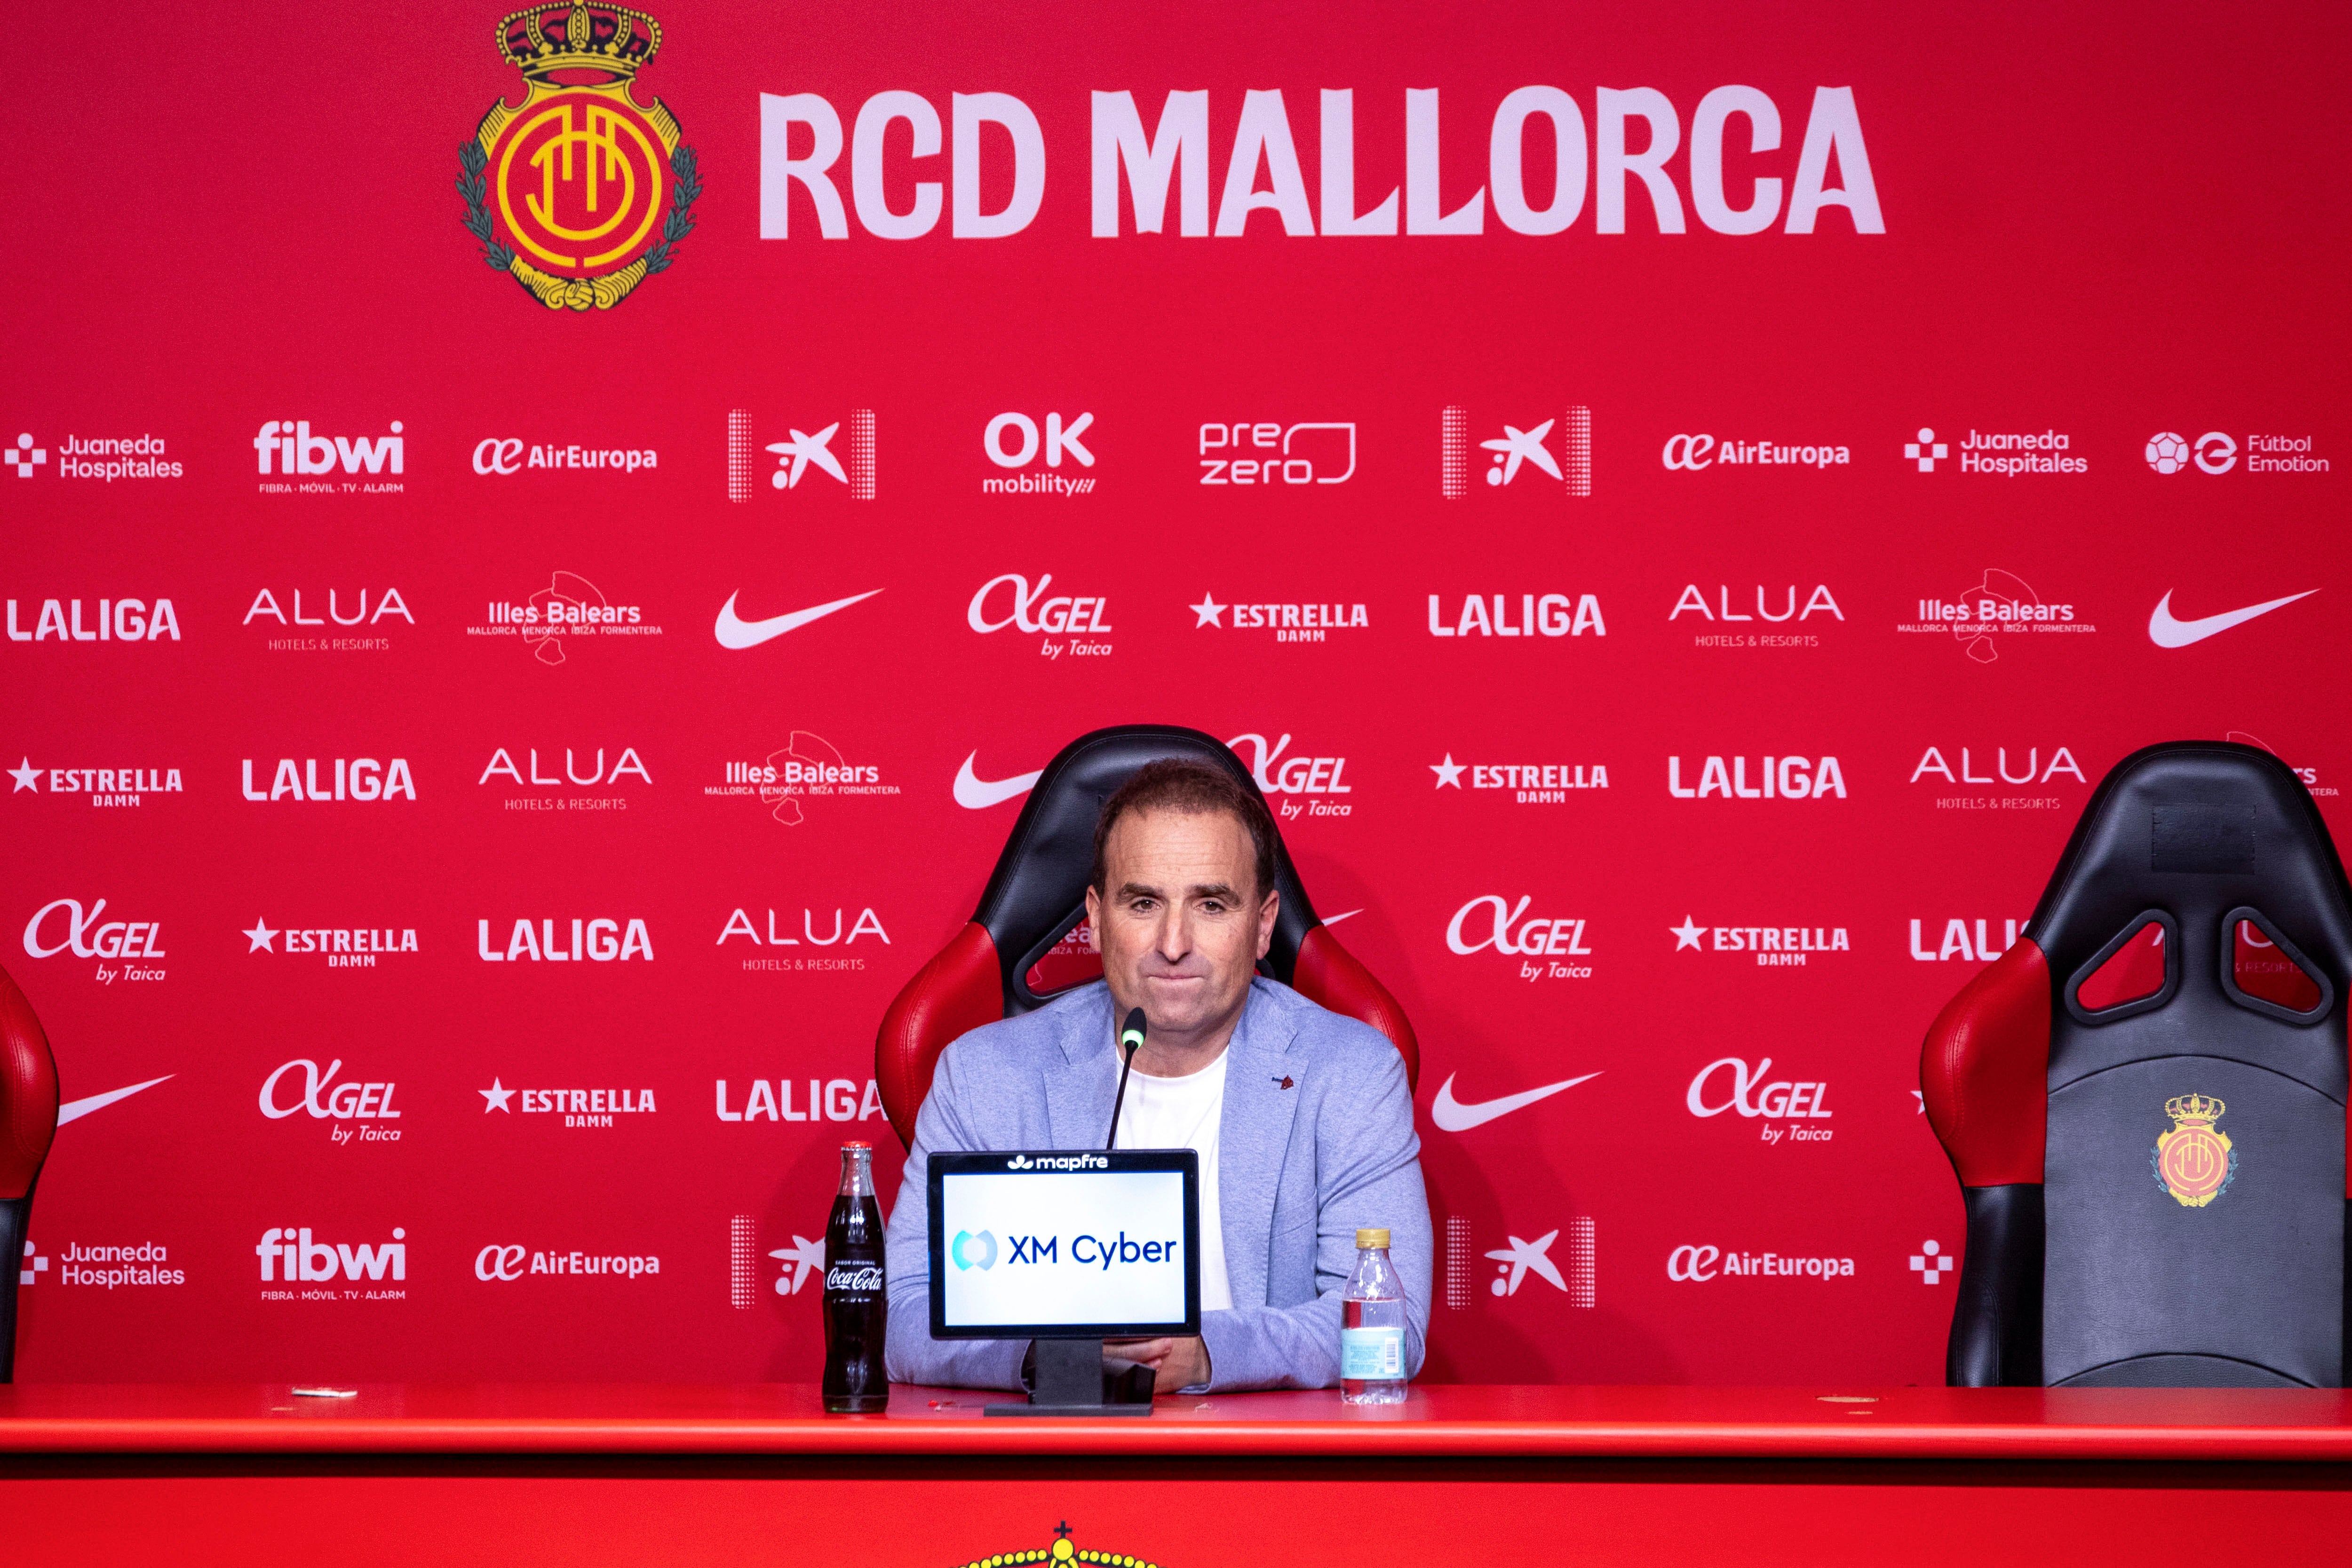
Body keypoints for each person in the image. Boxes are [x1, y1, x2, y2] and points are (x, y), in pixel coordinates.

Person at [882, 756, 1431, 1393]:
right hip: (1051, 1464)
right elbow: (901, 1315)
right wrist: (1049, 1353)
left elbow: (1389, 1326)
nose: (1174, 942)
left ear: (1261, 925)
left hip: (1273, 1464)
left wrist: (1207, 1355)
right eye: (1143, 902)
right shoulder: (983, 1076)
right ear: (1093, 917)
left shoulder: (1351, 1074)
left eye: (1211, 904)